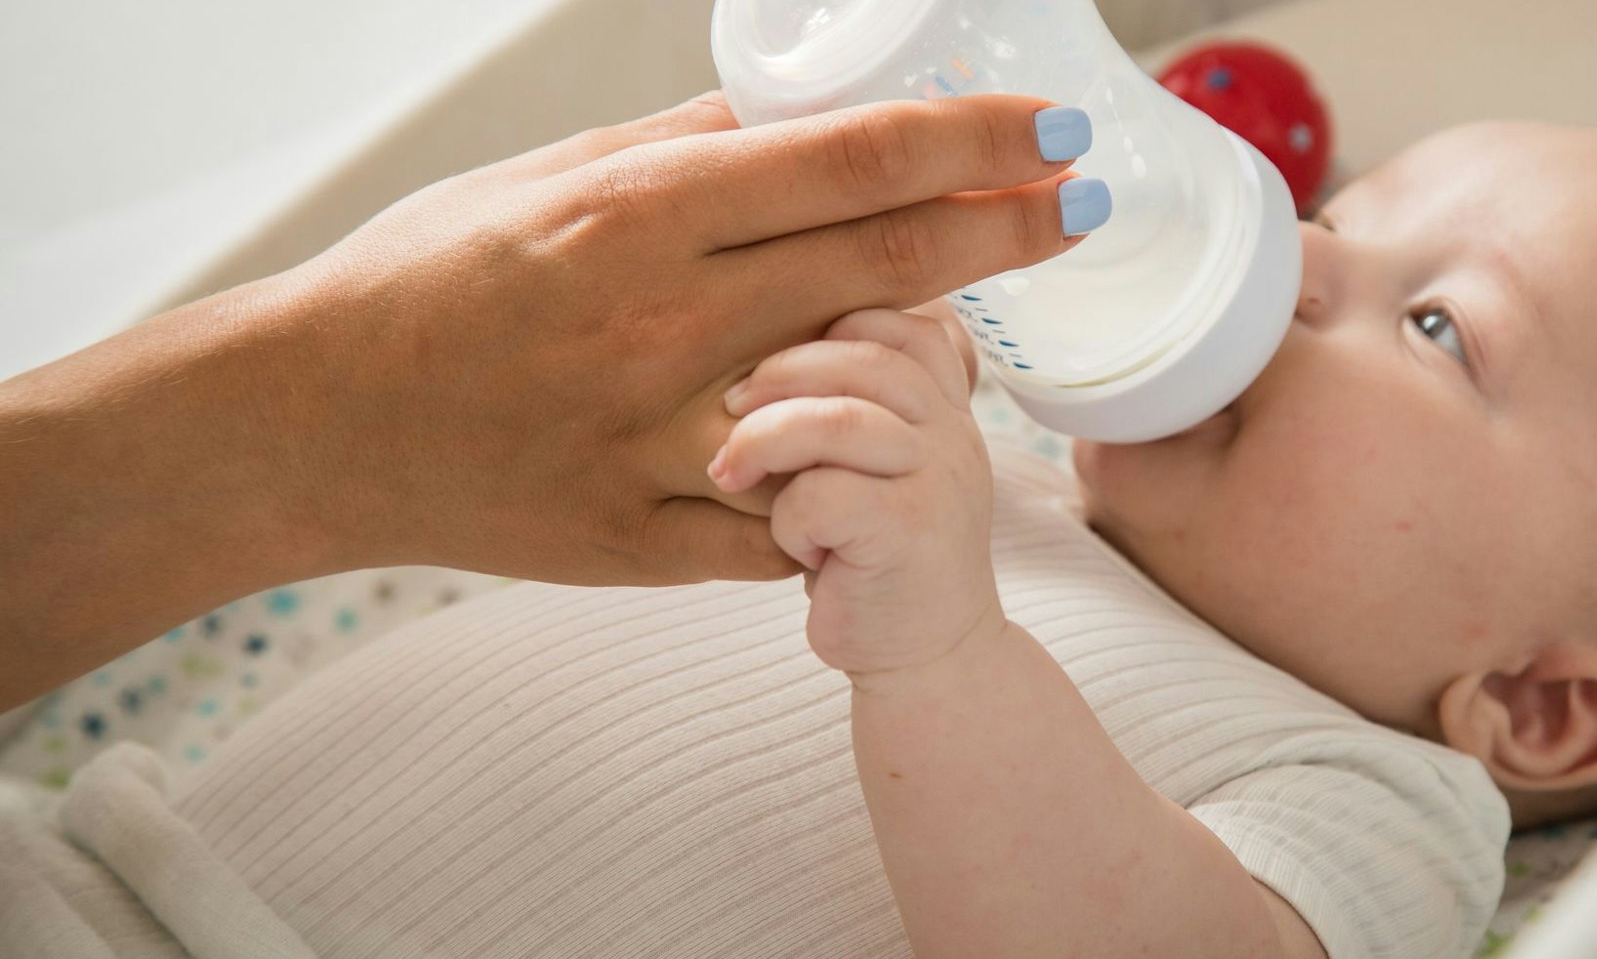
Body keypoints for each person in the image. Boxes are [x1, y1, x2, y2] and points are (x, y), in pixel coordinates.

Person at [14, 122, 1597, 959]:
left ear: (1532, 702)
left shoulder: (1378, 803)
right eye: (1347, 207)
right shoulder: (997, 465)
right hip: (93, 860)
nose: (1303, 253)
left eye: (1441, 325)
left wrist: (941, 642)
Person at [0, 92, 1112, 710]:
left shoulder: (1294, 780)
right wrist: (325, 403)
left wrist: (939, 643)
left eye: (1302, 221)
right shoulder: (1020, 462)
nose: (1298, 268)